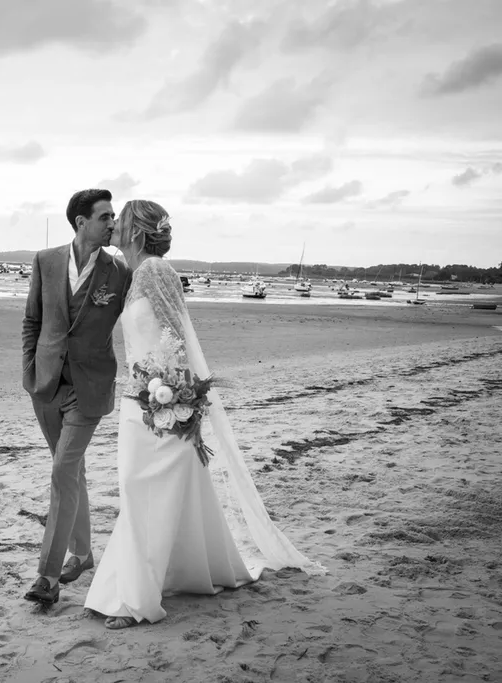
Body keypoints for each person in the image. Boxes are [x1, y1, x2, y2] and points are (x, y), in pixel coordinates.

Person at [84, 200, 325, 628]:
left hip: (159, 403)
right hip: (140, 400)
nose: (114, 225)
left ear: (137, 232)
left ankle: (133, 599)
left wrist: (175, 398)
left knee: (143, 494)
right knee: (143, 494)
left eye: (120, 220)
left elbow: (176, 337)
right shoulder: (135, 273)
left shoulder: (155, 270)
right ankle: (155, 578)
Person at [21, 189, 132, 605]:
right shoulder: (45, 261)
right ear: (80, 222)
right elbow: (32, 320)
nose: (112, 223)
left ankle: (47, 578)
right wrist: (31, 370)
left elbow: (139, 314)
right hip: (47, 385)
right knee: (71, 474)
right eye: (105, 216)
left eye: (113, 216)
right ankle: (83, 554)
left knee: (62, 473)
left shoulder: (118, 271)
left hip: (90, 387)